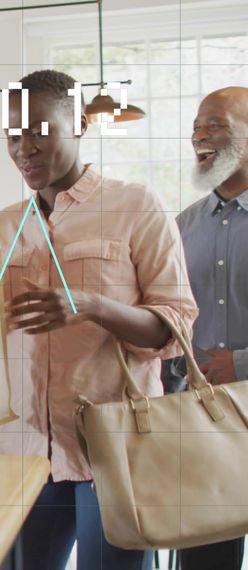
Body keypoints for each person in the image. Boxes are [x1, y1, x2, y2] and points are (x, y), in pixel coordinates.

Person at [0, 69, 198, 569]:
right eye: (13, 134)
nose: (24, 147)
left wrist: (93, 306)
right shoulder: (3, 224)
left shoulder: (136, 206)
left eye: (40, 130)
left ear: (78, 123)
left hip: (113, 446)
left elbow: (176, 326)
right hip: (26, 450)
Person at [175, 86, 248, 570]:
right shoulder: (181, 226)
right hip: (201, 421)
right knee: (203, 560)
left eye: (215, 124)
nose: (201, 135)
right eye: (197, 127)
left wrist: (240, 362)